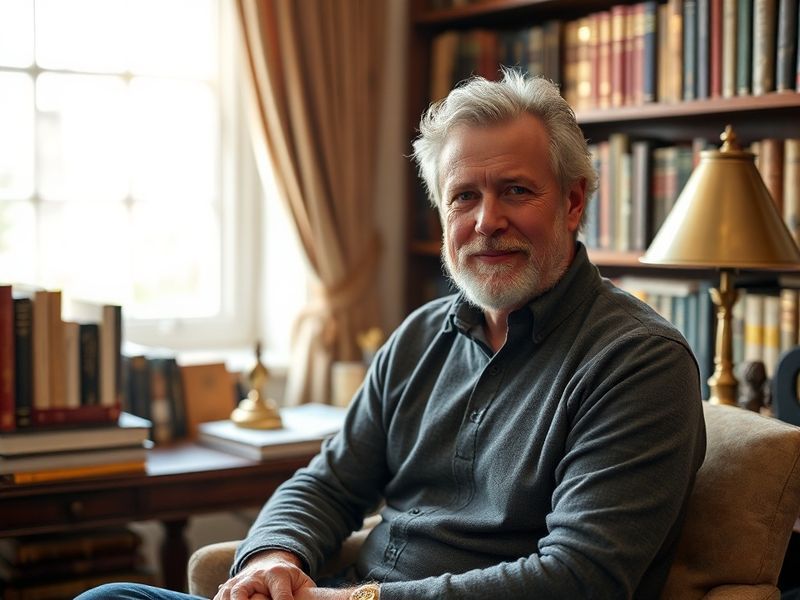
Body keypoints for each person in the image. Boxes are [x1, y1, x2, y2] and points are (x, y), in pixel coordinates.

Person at [77, 70, 706, 600]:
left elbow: (580, 579)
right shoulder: (419, 337)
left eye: (516, 190)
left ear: (573, 202)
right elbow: (329, 482)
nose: (487, 221)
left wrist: (357, 599)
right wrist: (273, 554)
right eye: (464, 197)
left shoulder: (637, 361)